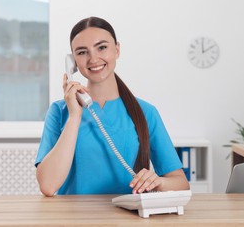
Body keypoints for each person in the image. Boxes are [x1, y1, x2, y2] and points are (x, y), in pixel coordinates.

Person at [35, 16, 189, 196]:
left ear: (117, 50)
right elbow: (47, 186)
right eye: (82, 52)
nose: (93, 59)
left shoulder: (146, 112)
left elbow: (181, 183)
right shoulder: (59, 112)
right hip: (73, 219)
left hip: (128, 218)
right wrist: (75, 117)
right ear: (73, 62)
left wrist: (158, 182)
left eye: (102, 47)